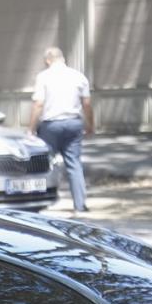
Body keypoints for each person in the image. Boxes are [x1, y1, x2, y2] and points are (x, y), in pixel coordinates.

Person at [28, 47, 93, 212]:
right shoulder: (78, 76)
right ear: (62, 59)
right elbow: (86, 104)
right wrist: (90, 124)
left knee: (44, 163)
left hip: (50, 126)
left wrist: (31, 128)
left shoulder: (43, 77)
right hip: (73, 124)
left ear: (48, 60)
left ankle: (40, 201)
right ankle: (80, 204)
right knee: (74, 164)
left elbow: (38, 104)